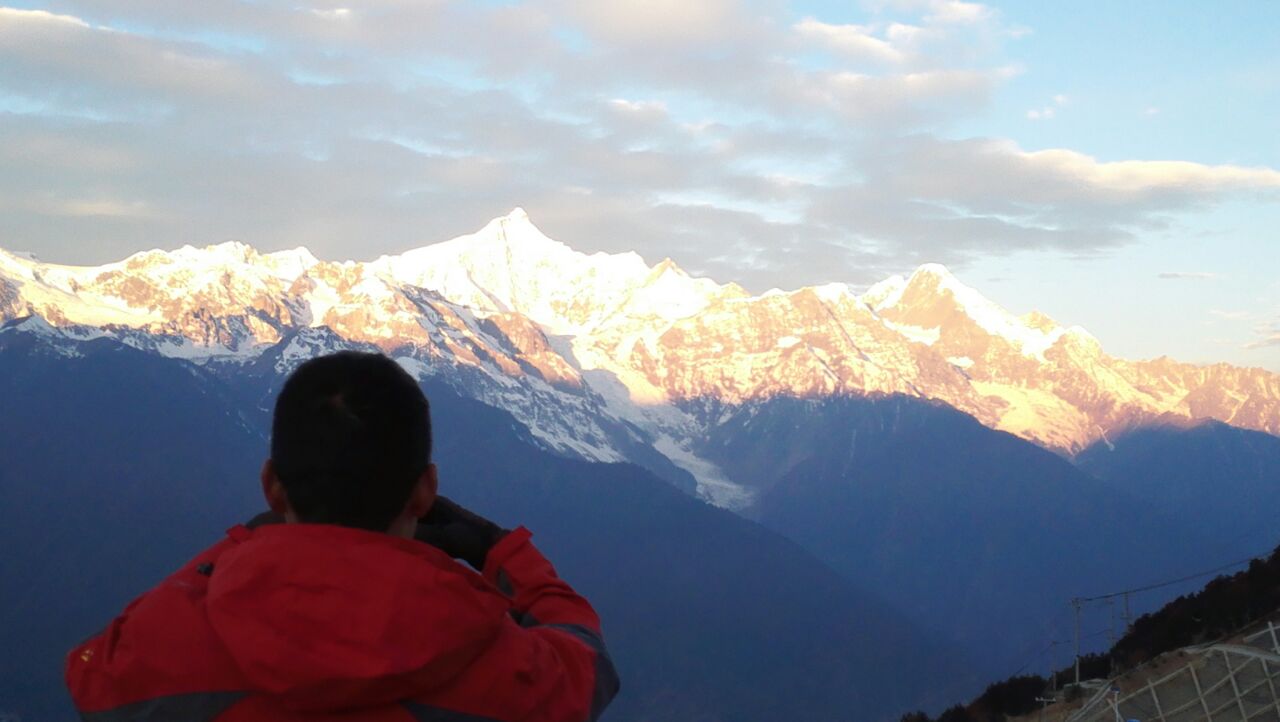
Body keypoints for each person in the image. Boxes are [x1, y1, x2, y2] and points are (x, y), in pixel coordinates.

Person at [65, 351, 619, 721]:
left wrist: (241, 545)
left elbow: (91, 668)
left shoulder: (165, 647)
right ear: (425, 490)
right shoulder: (499, 662)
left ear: (271, 487)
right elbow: (588, 663)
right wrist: (502, 550)